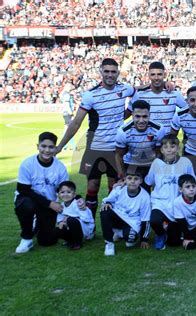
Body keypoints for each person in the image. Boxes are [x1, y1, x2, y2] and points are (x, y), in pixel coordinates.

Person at [55, 58, 136, 218]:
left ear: (118, 73)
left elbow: (139, 91)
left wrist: (163, 85)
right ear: (101, 72)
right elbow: (76, 122)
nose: (110, 75)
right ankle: (89, 224)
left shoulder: (125, 89)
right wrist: (60, 146)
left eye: (113, 71)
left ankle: (114, 224)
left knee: (116, 186)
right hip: (95, 148)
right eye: (106, 71)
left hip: (116, 150)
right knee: (93, 185)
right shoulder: (91, 95)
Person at [15, 132, 69, 253]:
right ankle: (26, 238)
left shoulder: (60, 167)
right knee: (26, 204)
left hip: (49, 204)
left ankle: (38, 224)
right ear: (37, 146)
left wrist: (75, 203)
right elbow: (23, 190)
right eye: (43, 146)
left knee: (47, 241)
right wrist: (50, 203)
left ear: (55, 148)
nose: (46, 150)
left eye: (51, 147)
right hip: (30, 199)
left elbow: (64, 190)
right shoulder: (27, 164)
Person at [145, 134, 195, 250]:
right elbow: (149, 182)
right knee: (154, 220)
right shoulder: (156, 163)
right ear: (161, 150)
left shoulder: (185, 162)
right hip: (160, 203)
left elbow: (192, 181)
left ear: (178, 148)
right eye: (166, 147)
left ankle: (168, 227)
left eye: (172, 146)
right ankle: (160, 234)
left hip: (177, 204)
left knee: (174, 242)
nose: (169, 150)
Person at [100, 171, 151, 256]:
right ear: (125, 180)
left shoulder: (145, 196)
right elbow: (107, 200)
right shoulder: (119, 189)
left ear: (141, 181)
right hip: (118, 216)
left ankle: (120, 233)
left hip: (132, 221)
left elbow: (146, 219)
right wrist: (107, 203)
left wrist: (144, 239)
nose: (132, 181)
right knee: (104, 210)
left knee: (129, 242)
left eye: (136, 179)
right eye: (129, 178)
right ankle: (109, 244)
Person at [128, 61, 187, 133]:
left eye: (159, 74)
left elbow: (188, 111)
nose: (156, 78)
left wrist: (177, 127)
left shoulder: (174, 93)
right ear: (149, 75)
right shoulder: (140, 94)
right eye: (153, 74)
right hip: (148, 140)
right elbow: (127, 113)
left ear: (164, 75)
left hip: (167, 141)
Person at [115, 100, 166, 181]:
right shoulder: (123, 131)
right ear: (132, 115)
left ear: (149, 115)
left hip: (150, 165)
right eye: (137, 116)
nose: (141, 120)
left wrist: (159, 172)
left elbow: (159, 154)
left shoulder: (159, 129)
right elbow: (119, 155)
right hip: (131, 164)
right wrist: (122, 175)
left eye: (145, 116)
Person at [55, 181, 95, 250]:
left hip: (84, 229)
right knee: (56, 230)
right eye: (62, 192)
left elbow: (86, 219)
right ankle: (70, 240)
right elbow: (60, 219)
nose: (65, 194)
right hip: (71, 228)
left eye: (68, 192)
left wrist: (68, 219)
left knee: (71, 220)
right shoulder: (61, 206)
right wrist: (61, 223)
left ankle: (77, 243)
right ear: (59, 194)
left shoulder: (78, 204)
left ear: (74, 194)